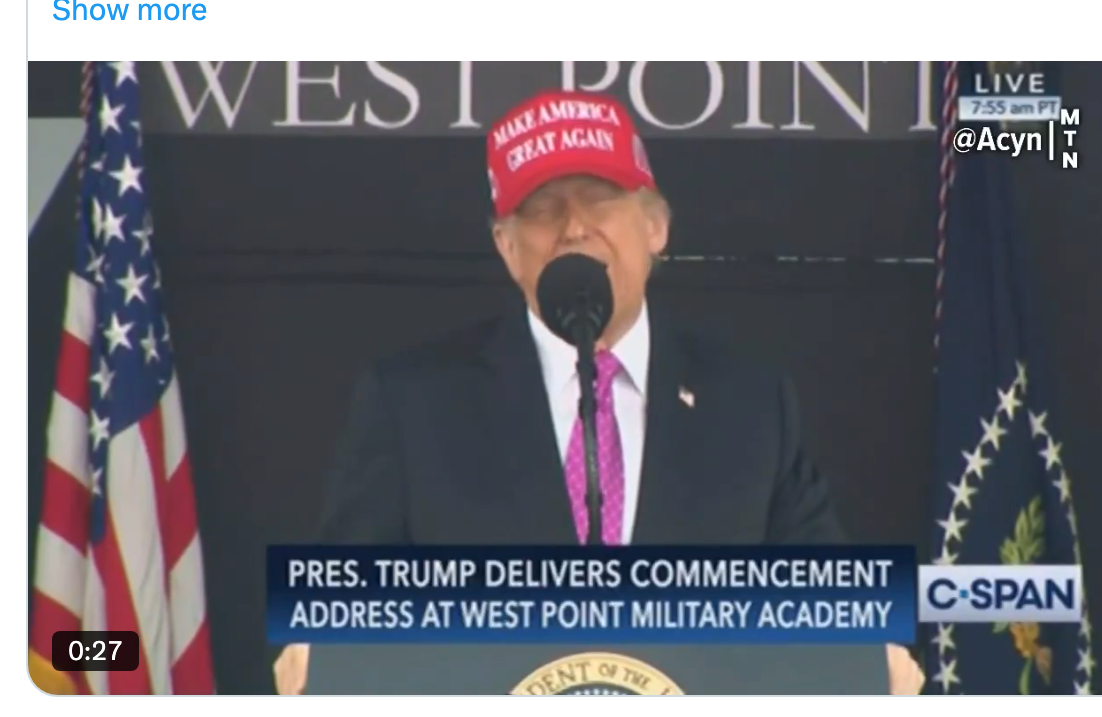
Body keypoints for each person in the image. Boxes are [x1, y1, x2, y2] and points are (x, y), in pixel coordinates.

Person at [274, 90, 923, 694]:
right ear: (506, 248)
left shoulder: (751, 405)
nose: (574, 228)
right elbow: (337, 613)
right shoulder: (413, 403)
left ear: (655, 228)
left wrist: (868, 657)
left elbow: (831, 601)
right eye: (543, 210)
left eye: (600, 199)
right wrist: (318, 654)